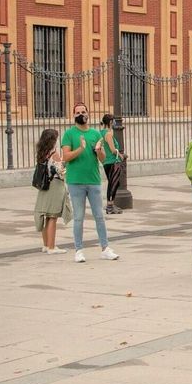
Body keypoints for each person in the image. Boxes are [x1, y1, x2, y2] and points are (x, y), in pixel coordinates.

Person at [59, 102, 119, 263]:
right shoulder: (69, 134)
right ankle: (78, 250)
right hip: (75, 181)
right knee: (79, 217)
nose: (81, 114)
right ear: (73, 115)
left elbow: (103, 159)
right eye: (77, 112)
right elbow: (65, 157)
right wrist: (80, 148)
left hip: (93, 181)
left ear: (88, 114)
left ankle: (105, 248)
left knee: (99, 216)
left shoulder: (95, 134)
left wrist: (98, 150)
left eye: (83, 111)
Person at [32, 128, 69, 255]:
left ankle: (46, 245)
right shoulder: (54, 154)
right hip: (55, 186)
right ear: (53, 140)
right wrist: (64, 163)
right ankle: (52, 247)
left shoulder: (42, 153)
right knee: (53, 216)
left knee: (46, 216)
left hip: (44, 186)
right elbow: (61, 172)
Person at [99, 113, 124, 214]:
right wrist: (120, 155)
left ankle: (111, 204)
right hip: (113, 161)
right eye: (113, 121)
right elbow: (113, 149)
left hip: (106, 162)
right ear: (110, 122)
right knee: (113, 184)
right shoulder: (108, 134)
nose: (114, 123)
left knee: (113, 183)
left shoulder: (101, 133)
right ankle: (110, 206)